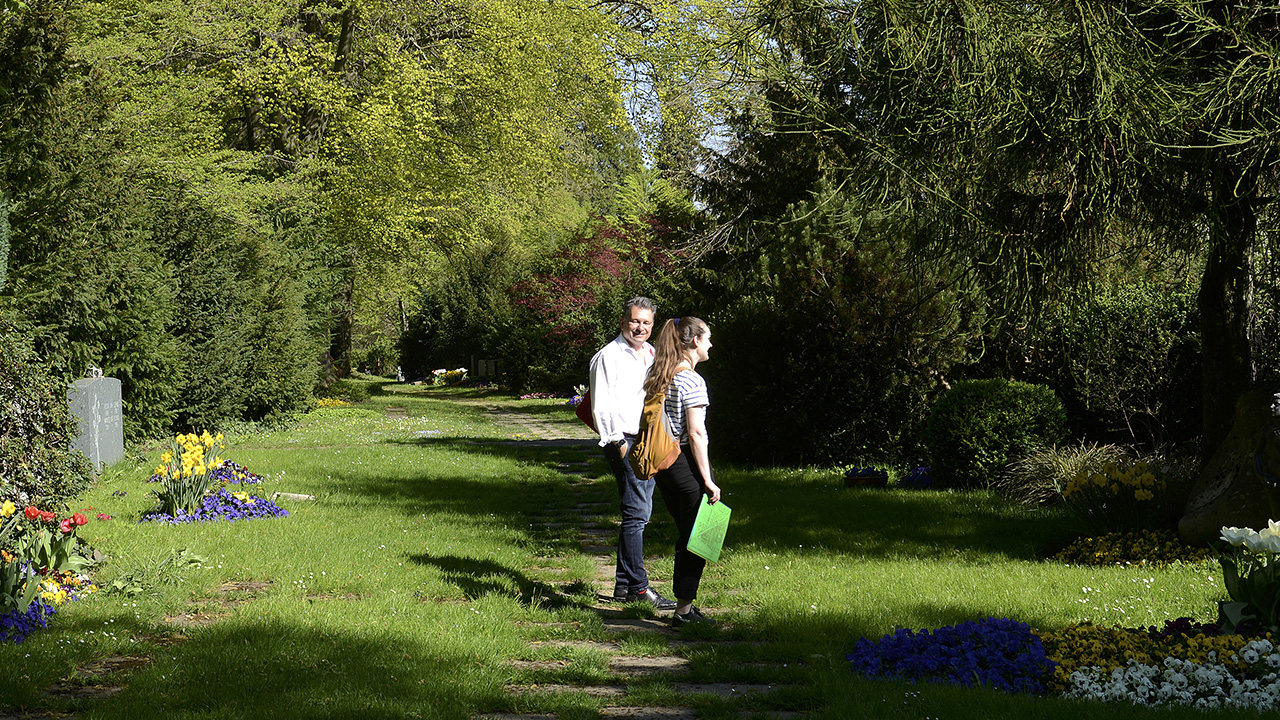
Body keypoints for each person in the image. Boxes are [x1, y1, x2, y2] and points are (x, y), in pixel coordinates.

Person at [589, 297, 676, 610]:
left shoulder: (651, 353)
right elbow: (601, 405)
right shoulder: (608, 357)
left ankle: (624, 586)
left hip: (647, 440)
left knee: (638, 512)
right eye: (635, 321)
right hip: (623, 441)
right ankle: (640, 588)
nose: (641, 328)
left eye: (647, 323)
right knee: (637, 514)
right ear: (622, 321)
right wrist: (618, 443)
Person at [644, 316, 721, 627]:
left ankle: (685, 607)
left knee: (690, 533)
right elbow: (697, 433)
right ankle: (684, 613)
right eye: (707, 339)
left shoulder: (661, 375)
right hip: (685, 461)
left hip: (665, 463)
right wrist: (708, 480)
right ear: (694, 342)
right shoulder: (691, 379)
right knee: (699, 535)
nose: (711, 345)